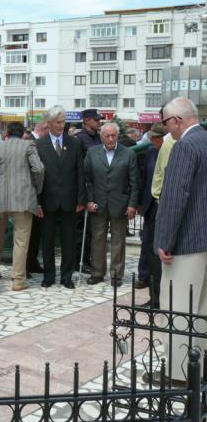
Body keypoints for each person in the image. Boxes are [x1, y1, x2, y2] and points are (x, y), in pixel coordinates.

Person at [153, 97, 207, 384]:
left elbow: (174, 199)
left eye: (165, 123)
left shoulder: (184, 146)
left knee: (178, 309)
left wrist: (164, 240)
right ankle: (199, 367)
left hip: (186, 243)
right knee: (202, 309)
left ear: (176, 120)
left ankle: (178, 373)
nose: (166, 130)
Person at [0, 122, 44, 291]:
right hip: (22, 197)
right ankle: (18, 280)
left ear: (6, 133)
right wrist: (37, 188)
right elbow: (39, 169)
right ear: (22, 134)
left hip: (0, 197)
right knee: (21, 239)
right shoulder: (29, 145)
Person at [35, 107, 85, 289]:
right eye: (58, 122)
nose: (61, 126)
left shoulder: (74, 143)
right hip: (47, 201)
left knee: (68, 241)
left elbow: (80, 171)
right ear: (49, 124)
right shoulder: (39, 145)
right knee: (47, 241)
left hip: (69, 201)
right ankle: (49, 276)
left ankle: (66, 277)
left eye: (63, 122)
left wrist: (81, 199)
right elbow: (36, 176)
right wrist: (37, 202)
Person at [85, 122, 139, 287]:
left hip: (120, 204)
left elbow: (135, 182)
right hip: (98, 203)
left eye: (113, 135)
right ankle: (97, 273)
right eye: (107, 136)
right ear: (101, 137)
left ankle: (116, 275)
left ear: (117, 136)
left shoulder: (128, 154)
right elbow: (87, 179)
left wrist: (132, 204)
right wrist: (89, 200)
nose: (110, 139)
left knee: (118, 240)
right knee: (97, 239)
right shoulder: (92, 152)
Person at [133, 123, 165, 307]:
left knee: (157, 252)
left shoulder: (172, 151)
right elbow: (144, 179)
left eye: (155, 137)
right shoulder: (151, 153)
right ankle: (153, 293)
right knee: (149, 247)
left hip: (163, 210)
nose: (152, 140)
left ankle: (158, 299)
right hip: (150, 209)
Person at [75, 108, 103, 273]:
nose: (98, 122)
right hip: (84, 188)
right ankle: (80, 260)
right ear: (86, 120)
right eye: (96, 120)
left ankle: (89, 258)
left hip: (97, 189)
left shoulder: (98, 138)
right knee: (81, 229)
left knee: (93, 230)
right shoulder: (79, 139)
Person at [25, 119, 49, 276]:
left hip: (39, 194)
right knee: (26, 233)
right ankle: (25, 265)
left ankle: (32, 262)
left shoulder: (35, 141)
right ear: (45, 128)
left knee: (35, 233)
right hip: (31, 193)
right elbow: (36, 170)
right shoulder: (29, 142)